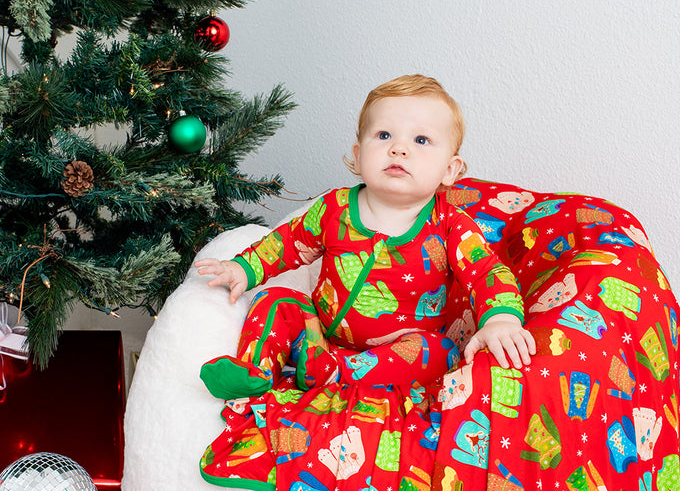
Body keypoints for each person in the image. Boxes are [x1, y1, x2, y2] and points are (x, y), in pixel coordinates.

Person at [195, 74, 535, 402]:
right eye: (384, 135)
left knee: (439, 353)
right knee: (277, 300)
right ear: (358, 156)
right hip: (319, 337)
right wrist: (242, 268)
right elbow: (286, 243)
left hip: (400, 349)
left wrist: (500, 319)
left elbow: (487, 272)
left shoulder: (449, 224)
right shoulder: (334, 208)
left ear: (450, 169)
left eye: (421, 140)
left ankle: (335, 374)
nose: (399, 149)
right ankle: (255, 371)